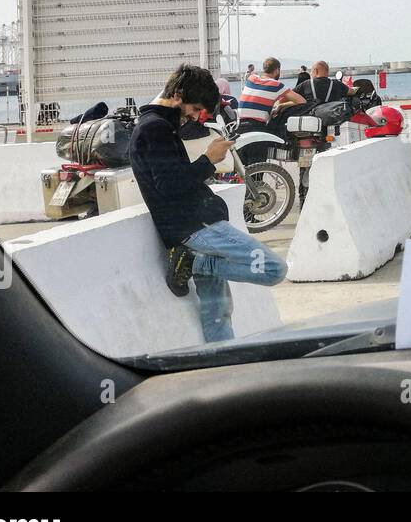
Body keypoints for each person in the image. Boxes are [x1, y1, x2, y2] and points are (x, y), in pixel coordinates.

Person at [128, 64, 287, 342]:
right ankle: (197, 264)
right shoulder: (154, 129)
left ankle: (222, 362)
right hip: (196, 228)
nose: (196, 117)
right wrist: (208, 160)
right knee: (274, 269)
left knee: (218, 312)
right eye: (196, 109)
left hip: (193, 228)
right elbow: (169, 186)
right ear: (177, 95)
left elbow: (169, 179)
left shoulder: (159, 125)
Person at [237, 56, 306, 165]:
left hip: (239, 126)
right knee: (257, 169)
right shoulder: (277, 85)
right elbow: (301, 101)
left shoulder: (251, 78)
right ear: (277, 70)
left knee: (242, 168)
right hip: (256, 128)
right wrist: (282, 106)